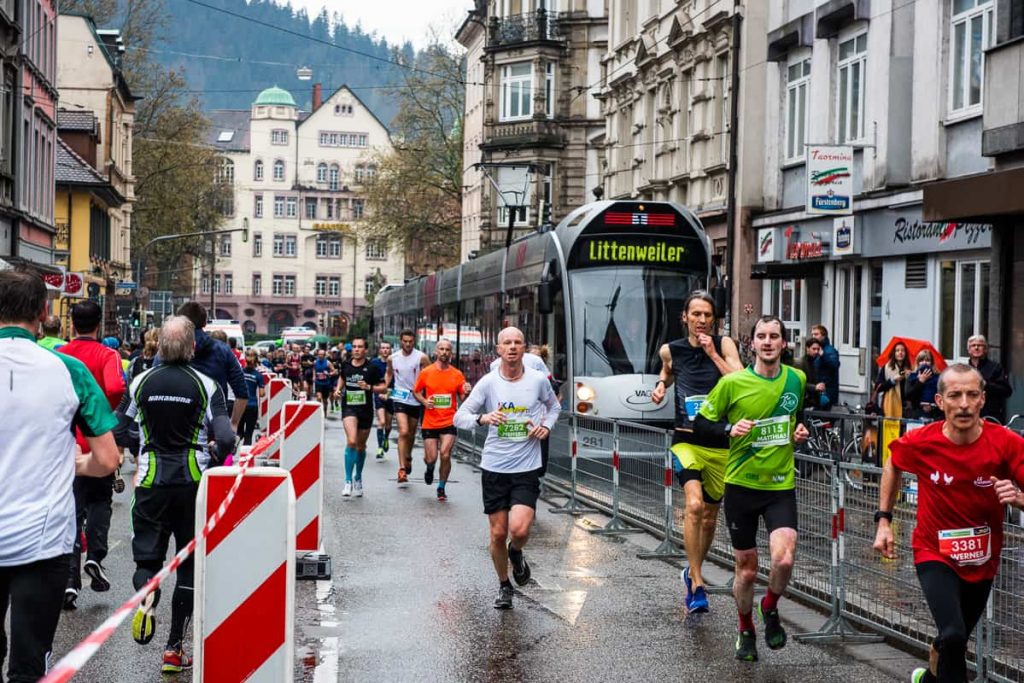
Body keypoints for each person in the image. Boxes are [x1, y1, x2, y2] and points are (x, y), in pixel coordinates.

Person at [0, 269, 120, 682]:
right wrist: (74, 465)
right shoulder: (68, 370)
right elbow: (107, 459)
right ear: (44, 311)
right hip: (43, 539)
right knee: (30, 663)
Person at [872, 364, 1024, 683]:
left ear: (983, 399)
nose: (964, 404)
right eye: (955, 395)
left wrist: (1020, 499)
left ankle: (929, 678)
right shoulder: (922, 442)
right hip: (933, 553)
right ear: (940, 402)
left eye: (972, 395)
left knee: (954, 640)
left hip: (982, 559)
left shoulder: (1006, 443)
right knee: (953, 634)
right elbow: (892, 463)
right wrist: (884, 520)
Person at [114, 316, 234, 675]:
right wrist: (212, 453)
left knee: (147, 563)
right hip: (192, 483)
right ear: (192, 347)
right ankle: (174, 648)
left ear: (161, 347)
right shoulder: (206, 384)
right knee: (189, 565)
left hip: (150, 481)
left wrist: (139, 447)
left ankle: (147, 596)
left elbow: (120, 427)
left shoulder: (140, 381)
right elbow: (226, 439)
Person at [695, 315, 809, 662]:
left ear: (784, 343)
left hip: (780, 485)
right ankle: (745, 627)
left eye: (775, 336)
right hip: (741, 486)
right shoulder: (733, 384)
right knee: (746, 569)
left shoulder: (797, 379)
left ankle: (770, 606)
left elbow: (796, 417)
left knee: (784, 558)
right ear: (753, 344)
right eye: (762, 336)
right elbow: (700, 424)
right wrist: (729, 428)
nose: (769, 342)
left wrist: (798, 433)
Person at [454, 327, 561, 609]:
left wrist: (546, 427)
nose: (512, 347)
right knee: (498, 533)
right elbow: (459, 417)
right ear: (499, 349)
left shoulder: (538, 380)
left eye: (518, 342)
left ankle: (517, 553)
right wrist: (484, 418)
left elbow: (554, 408)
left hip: (526, 466)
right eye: (507, 343)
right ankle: (504, 585)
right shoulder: (488, 383)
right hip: (495, 467)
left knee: (521, 529)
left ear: (524, 349)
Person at [650, 291, 742, 613]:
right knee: (693, 504)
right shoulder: (670, 350)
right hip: (687, 439)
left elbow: (741, 380)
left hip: (720, 444)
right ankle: (698, 583)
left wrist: (713, 353)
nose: (702, 320)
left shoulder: (725, 344)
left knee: (710, 516)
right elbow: (667, 370)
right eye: (696, 314)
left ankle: (692, 570)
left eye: (707, 315)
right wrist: (662, 386)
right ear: (685, 318)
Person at [58, 300, 127, 609]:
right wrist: (102, 414)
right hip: (96, 442)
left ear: (72, 323)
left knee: (70, 511)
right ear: (99, 324)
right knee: (99, 500)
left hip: (65, 443)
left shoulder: (59, 354)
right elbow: (114, 387)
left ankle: (70, 581)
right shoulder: (107, 354)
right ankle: (96, 556)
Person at [156, 302, 248, 431]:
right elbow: (242, 392)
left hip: (173, 426)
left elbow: (152, 384)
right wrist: (233, 424)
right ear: (205, 323)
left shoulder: (165, 351)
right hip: (213, 427)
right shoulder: (223, 351)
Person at [413, 338, 472, 501]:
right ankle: (430, 468)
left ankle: (441, 487)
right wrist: (424, 401)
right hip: (430, 422)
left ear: (451, 353)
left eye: (448, 350)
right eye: (442, 349)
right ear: (435, 352)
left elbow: (462, 398)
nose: (444, 352)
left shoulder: (457, 374)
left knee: (445, 454)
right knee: (431, 458)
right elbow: (416, 391)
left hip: (449, 421)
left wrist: (466, 391)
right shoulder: (427, 372)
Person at [334, 337, 386, 497]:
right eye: (354, 347)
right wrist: (338, 390)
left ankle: (358, 477)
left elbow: (383, 387)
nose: (356, 349)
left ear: (365, 350)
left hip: (365, 410)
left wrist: (369, 387)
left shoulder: (372, 367)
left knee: (361, 446)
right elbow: (342, 377)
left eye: (360, 347)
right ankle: (348, 481)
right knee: (351, 441)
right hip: (349, 408)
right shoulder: (346, 365)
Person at [386, 329, 430, 485]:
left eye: (410, 341)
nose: (408, 344)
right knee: (403, 431)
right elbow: (389, 373)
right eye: (405, 341)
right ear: (400, 341)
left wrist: (427, 394)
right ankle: (402, 469)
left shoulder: (421, 357)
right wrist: (385, 387)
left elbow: (430, 375)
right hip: (399, 397)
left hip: (416, 398)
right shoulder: (393, 358)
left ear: (414, 341)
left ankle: (408, 456)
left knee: (410, 434)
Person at [966, 335, 1013, 424]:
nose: (976, 348)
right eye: (973, 345)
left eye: (980, 345)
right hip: (968, 414)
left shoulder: (995, 367)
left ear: (986, 349)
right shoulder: (964, 369)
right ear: (968, 350)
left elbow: (1006, 391)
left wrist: (986, 384)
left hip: (991, 416)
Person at [370, 340, 394, 460]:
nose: (385, 350)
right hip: (379, 395)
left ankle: (386, 438)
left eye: (387, 348)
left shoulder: (394, 363)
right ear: (380, 350)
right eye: (383, 348)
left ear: (390, 350)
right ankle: (379, 448)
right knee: (382, 422)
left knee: (388, 425)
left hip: (391, 395)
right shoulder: (374, 363)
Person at [875, 341, 911, 419]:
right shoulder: (887, 368)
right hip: (890, 406)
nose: (900, 352)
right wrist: (893, 380)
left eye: (902, 350)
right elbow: (878, 387)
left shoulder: (909, 368)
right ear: (893, 353)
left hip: (905, 409)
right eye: (897, 350)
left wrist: (910, 378)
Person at [238, 349, 266, 445]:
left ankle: (233, 447)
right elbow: (262, 393)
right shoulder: (258, 376)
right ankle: (246, 457)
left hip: (240, 405)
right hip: (252, 405)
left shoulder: (240, 372)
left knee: (238, 431)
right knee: (249, 434)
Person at [810, 325, 840, 410]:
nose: (813, 337)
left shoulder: (829, 350)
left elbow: (834, 365)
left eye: (816, 334)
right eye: (812, 334)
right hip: (817, 391)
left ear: (823, 335)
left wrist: (823, 355)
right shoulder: (817, 350)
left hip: (827, 392)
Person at [907, 349, 941, 420]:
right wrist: (920, 382)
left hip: (935, 414)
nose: (924, 363)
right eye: (921, 360)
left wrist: (932, 406)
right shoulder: (912, 376)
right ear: (918, 362)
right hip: (917, 413)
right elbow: (909, 396)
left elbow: (941, 395)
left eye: (927, 360)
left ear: (931, 363)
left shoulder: (938, 377)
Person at [798, 338, 823, 411]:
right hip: (805, 402)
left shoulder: (815, 362)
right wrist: (815, 387)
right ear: (807, 348)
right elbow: (799, 383)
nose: (816, 351)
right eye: (814, 349)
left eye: (818, 349)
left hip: (814, 401)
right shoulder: (801, 363)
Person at [312, 348, 336, 417]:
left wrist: (329, 374)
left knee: (325, 400)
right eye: (319, 354)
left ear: (324, 355)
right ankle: (319, 411)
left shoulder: (328, 362)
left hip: (326, 383)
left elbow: (334, 371)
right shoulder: (315, 362)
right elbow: (314, 369)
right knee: (319, 397)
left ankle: (325, 410)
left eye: (322, 354)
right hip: (318, 382)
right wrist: (314, 376)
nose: (320, 356)